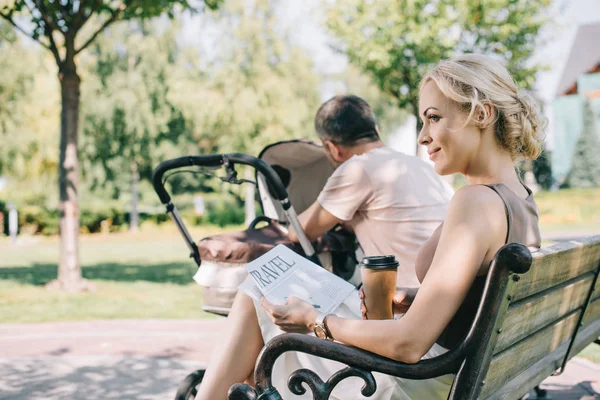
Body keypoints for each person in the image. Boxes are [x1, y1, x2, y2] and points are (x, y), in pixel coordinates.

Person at [255, 54, 545, 399]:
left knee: (257, 293)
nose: (423, 137)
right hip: (467, 374)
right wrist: (418, 300)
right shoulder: (520, 199)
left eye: (433, 118)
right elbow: (485, 300)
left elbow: (408, 345)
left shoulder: (476, 202)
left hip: (418, 381)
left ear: (481, 114)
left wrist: (314, 321)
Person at [195, 94, 453, 399]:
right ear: (376, 130)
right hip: (441, 332)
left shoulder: (358, 168)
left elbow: (299, 230)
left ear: (331, 147)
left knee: (258, 287)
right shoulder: (417, 166)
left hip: (402, 330)